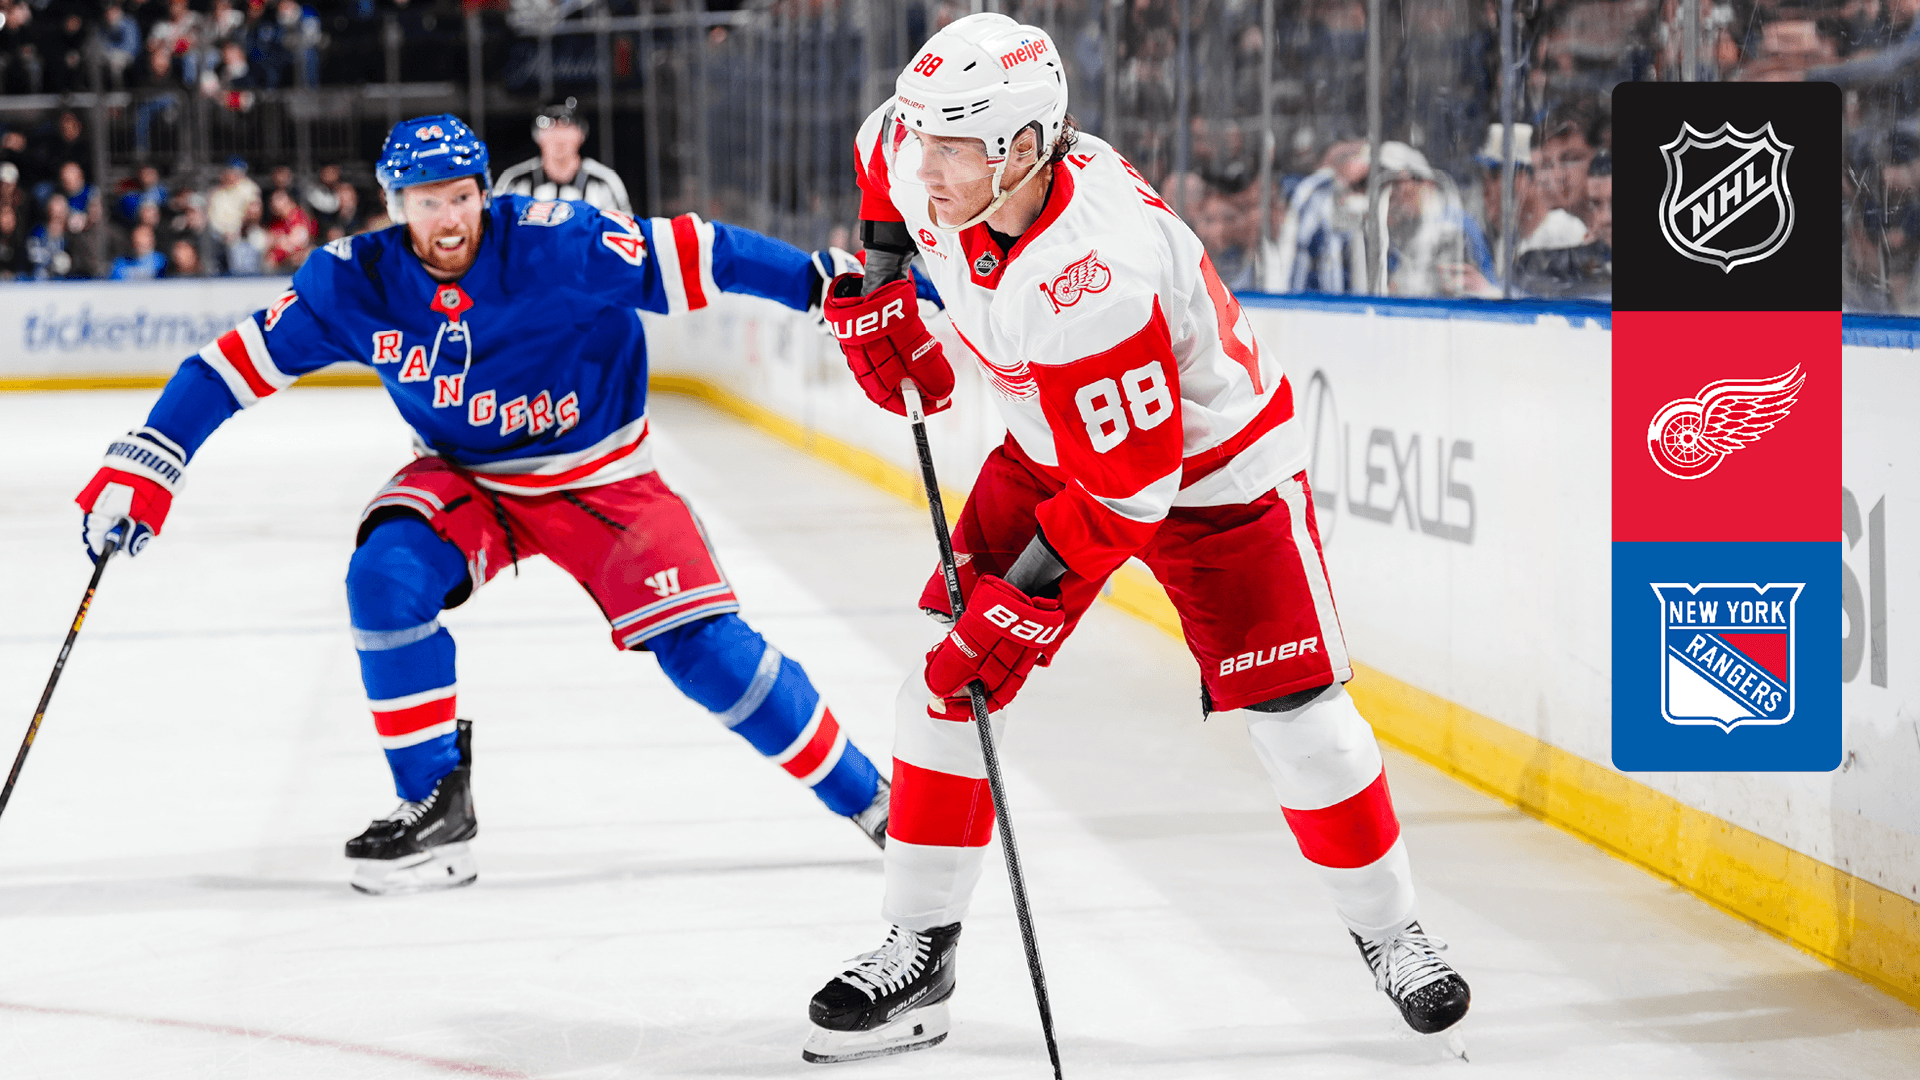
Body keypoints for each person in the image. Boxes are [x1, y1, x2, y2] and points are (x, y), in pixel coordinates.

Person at [800, 13, 1471, 1063]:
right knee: (943, 684)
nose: (924, 166)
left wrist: (1018, 605)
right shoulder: (916, 144)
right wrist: (885, 279)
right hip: (1053, 440)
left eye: (953, 148)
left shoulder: (1091, 273)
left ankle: (1395, 937)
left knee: (1302, 719)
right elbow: (882, 168)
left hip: (1212, 473)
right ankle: (919, 949)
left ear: (1026, 147)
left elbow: (1131, 491)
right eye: (922, 138)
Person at [72, 114, 892, 897]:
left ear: (484, 192)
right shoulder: (353, 282)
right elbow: (227, 367)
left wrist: (817, 284)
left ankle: (876, 801)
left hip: (600, 476)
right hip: (469, 480)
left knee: (707, 652)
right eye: (428, 202)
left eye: (462, 196)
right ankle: (435, 806)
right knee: (384, 580)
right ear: (395, 206)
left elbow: (701, 252)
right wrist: (152, 458)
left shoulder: (559, 242)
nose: (450, 218)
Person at [492, 98, 632, 213]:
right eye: (550, 127)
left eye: (567, 127)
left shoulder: (604, 182)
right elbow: (494, 229)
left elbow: (625, 231)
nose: (559, 137)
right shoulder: (515, 181)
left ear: (582, 134)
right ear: (536, 135)